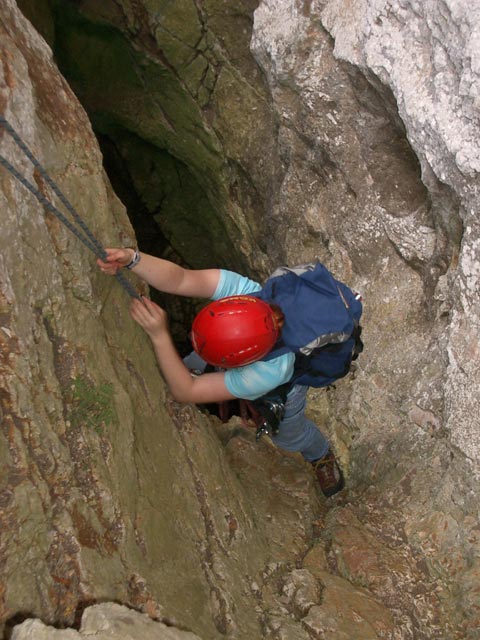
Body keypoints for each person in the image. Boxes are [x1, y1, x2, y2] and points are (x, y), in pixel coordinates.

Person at [98, 248, 344, 497]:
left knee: (288, 437)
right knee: (193, 365)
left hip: (286, 389)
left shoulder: (271, 372)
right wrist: (133, 259)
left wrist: (160, 336)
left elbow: (187, 390)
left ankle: (320, 454)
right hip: (243, 358)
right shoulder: (245, 292)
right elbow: (181, 279)